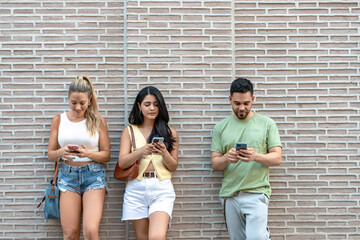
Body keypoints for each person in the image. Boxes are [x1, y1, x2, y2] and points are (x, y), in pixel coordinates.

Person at [211, 78, 282, 240]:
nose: (241, 108)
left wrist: (255, 156)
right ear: (230, 100)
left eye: (246, 103)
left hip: (257, 193)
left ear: (253, 100)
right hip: (230, 195)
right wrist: (227, 158)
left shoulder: (267, 124)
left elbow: (277, 157)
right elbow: (215, 163)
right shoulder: (220, 127)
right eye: (237, 103)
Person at [47, 75, 110, 240]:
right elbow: (50, 154)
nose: (77, 107)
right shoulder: (58, 120)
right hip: (67, 176)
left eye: (82, 103)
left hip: (93, 175)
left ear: (89, 99)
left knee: (90, 231)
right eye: (73, 103)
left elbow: (106, 155)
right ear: (68, 99)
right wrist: (61, 152)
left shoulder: (98, 121)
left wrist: (88, 153)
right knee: (69, 234)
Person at [117, 86, 178, 240]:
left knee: (156, 237)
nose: (152, 108)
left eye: (156, 104)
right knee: (142, 237)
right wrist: (141, 151)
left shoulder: (170, 132)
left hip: (161, 187)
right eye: (147, 104)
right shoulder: (129, 131)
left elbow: (173, 166)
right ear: (139, 106)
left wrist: (164, 153)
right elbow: (122, 162)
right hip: (136, 188)